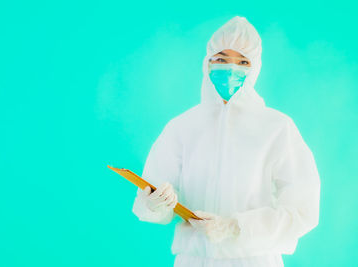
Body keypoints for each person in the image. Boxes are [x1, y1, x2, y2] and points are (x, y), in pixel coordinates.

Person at [131, 16, 321, 267]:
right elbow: (150, 195)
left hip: (254, 259)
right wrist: (155, 202)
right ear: (207, 64)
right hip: (193, 260)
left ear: (255, 67)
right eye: (221, 59)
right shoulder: (182, 127)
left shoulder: (276, 128)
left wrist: (236, 228)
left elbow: (303, 210)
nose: (231, 69)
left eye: (242, 61)